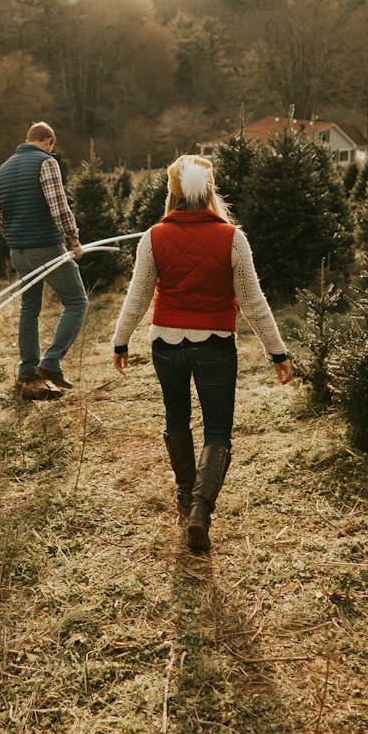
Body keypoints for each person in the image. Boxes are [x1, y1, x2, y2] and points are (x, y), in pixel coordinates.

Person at [111, 154, 292, 551]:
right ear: (210, 191)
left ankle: (183, 494)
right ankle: (200, 512)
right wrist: (277, 353)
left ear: (172, 194)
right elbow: (253, 301)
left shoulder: (153, 236)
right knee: (217, 428)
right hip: (214, 344)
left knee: (176, 417)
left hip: (166, 345)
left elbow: (138, 296)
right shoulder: (232, 237)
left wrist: (120, 340)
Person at [0, 121, 87, 400]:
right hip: (46, 247)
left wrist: (16, 237)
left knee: (29, 309)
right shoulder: (46, 163)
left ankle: (27, 371)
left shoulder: (3, 169)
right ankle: (51, 362)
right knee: (77, 301)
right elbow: (58, 206)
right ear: (48, 141)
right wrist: (74, 240)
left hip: (18, 251)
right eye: (51, 147)